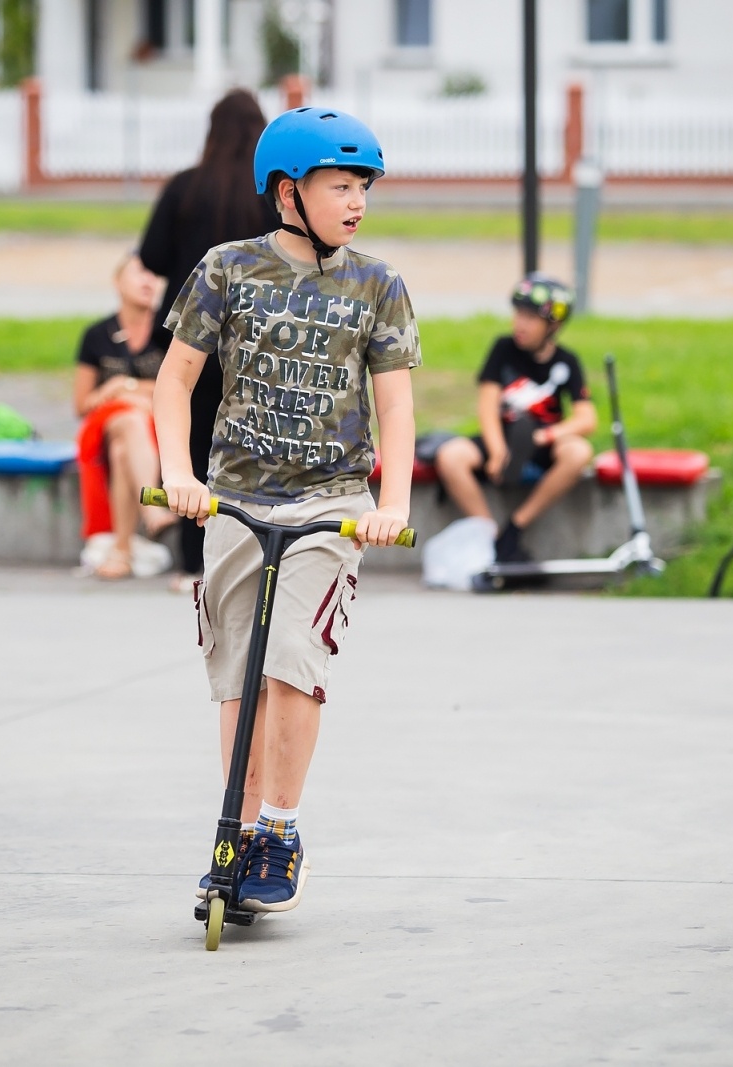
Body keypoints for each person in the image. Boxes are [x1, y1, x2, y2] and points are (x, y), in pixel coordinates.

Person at [152, 107, 420, 913]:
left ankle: (281, 829)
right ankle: (235, 827)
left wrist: (391, 502)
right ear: (286, 192)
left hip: (329, 507)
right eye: (340, 185)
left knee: (293, 659)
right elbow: (173, 382)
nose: (357, 201)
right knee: (236, 675)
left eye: (362, 186)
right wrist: (179, 475)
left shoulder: (377, 285)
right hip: (234, 499)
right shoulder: (226, 270)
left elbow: (397, 407)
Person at [138, 89, 279, 583]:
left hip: (189, 336)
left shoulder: (184, 187)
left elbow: (152, 256)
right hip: (256, 338)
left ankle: (192, 562)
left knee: (191, 445)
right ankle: (256, 555)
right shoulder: (270, 195)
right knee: (254, 444)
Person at [433, 274, 597, 563]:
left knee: (579, 451)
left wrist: (545, 436)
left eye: (531, 318)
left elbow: (587, 418)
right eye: (518, 313)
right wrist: (497, 451)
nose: (520, 323)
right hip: (502, 434)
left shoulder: (566, 362)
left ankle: (515, 527)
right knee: (451, 456)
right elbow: (487, 405)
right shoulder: (503, 349)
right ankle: (492, 537)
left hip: (541, 441)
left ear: (554, 324)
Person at [73, 253, 178, 580]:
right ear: (118, 282)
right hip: (106, 425)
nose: (148, 281)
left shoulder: (169, 332)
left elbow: (180, 385)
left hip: (148, 431)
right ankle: (151, 510)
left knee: (124, 450)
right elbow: (82, 404)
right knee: (130, 421)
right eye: (139, 273)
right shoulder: (97, 335)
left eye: (153, 274)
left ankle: (121, 551)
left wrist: (126, 386)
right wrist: (119, 394)